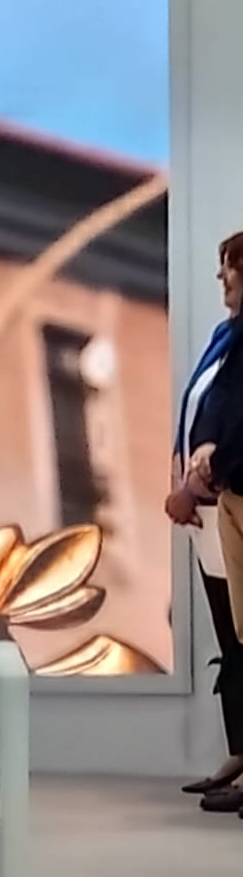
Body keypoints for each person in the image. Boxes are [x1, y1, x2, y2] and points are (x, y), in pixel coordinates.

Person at [182, 231, 243, 805]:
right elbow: (208, 405)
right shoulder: (227, 335)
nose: (221, 278)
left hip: (229, 488)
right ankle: (239, 752)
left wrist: (212, 462)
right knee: (233, 635)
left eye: (229, 267)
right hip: (213, 501)